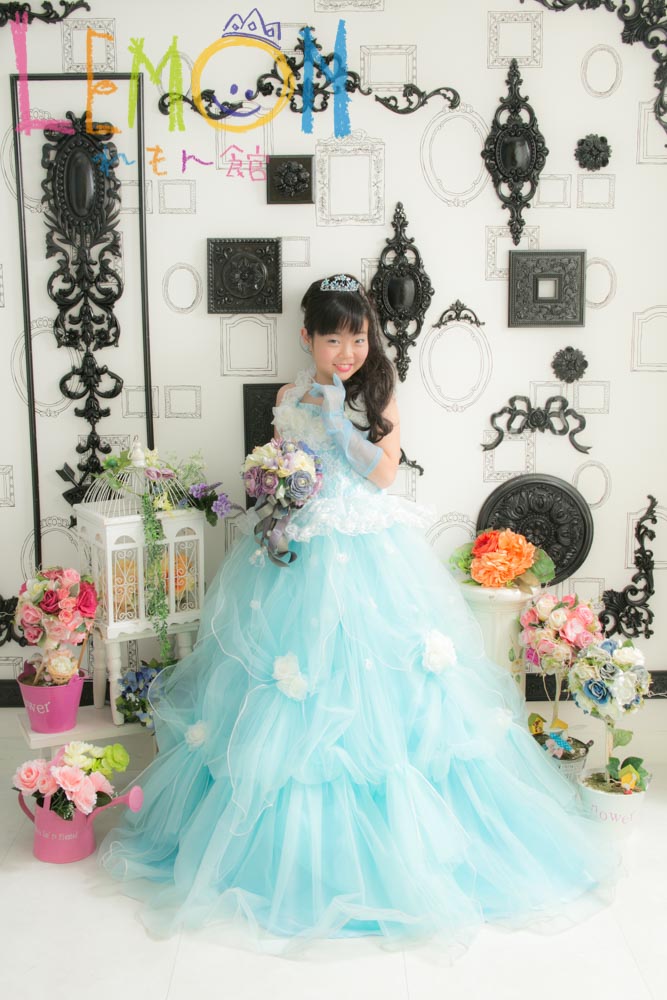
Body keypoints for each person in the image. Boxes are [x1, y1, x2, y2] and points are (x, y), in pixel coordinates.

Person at [100, 274, 616, 954]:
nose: (347, 352)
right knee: (291, 687)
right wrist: (276, 495)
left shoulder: (377, 393)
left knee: (385, 692)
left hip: (369, 550)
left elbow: (383, 475)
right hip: (298, 551)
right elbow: (282, 467)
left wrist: (340, 421)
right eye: (333, 339)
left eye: (358, 338)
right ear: (307, 337)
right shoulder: (286, 397)